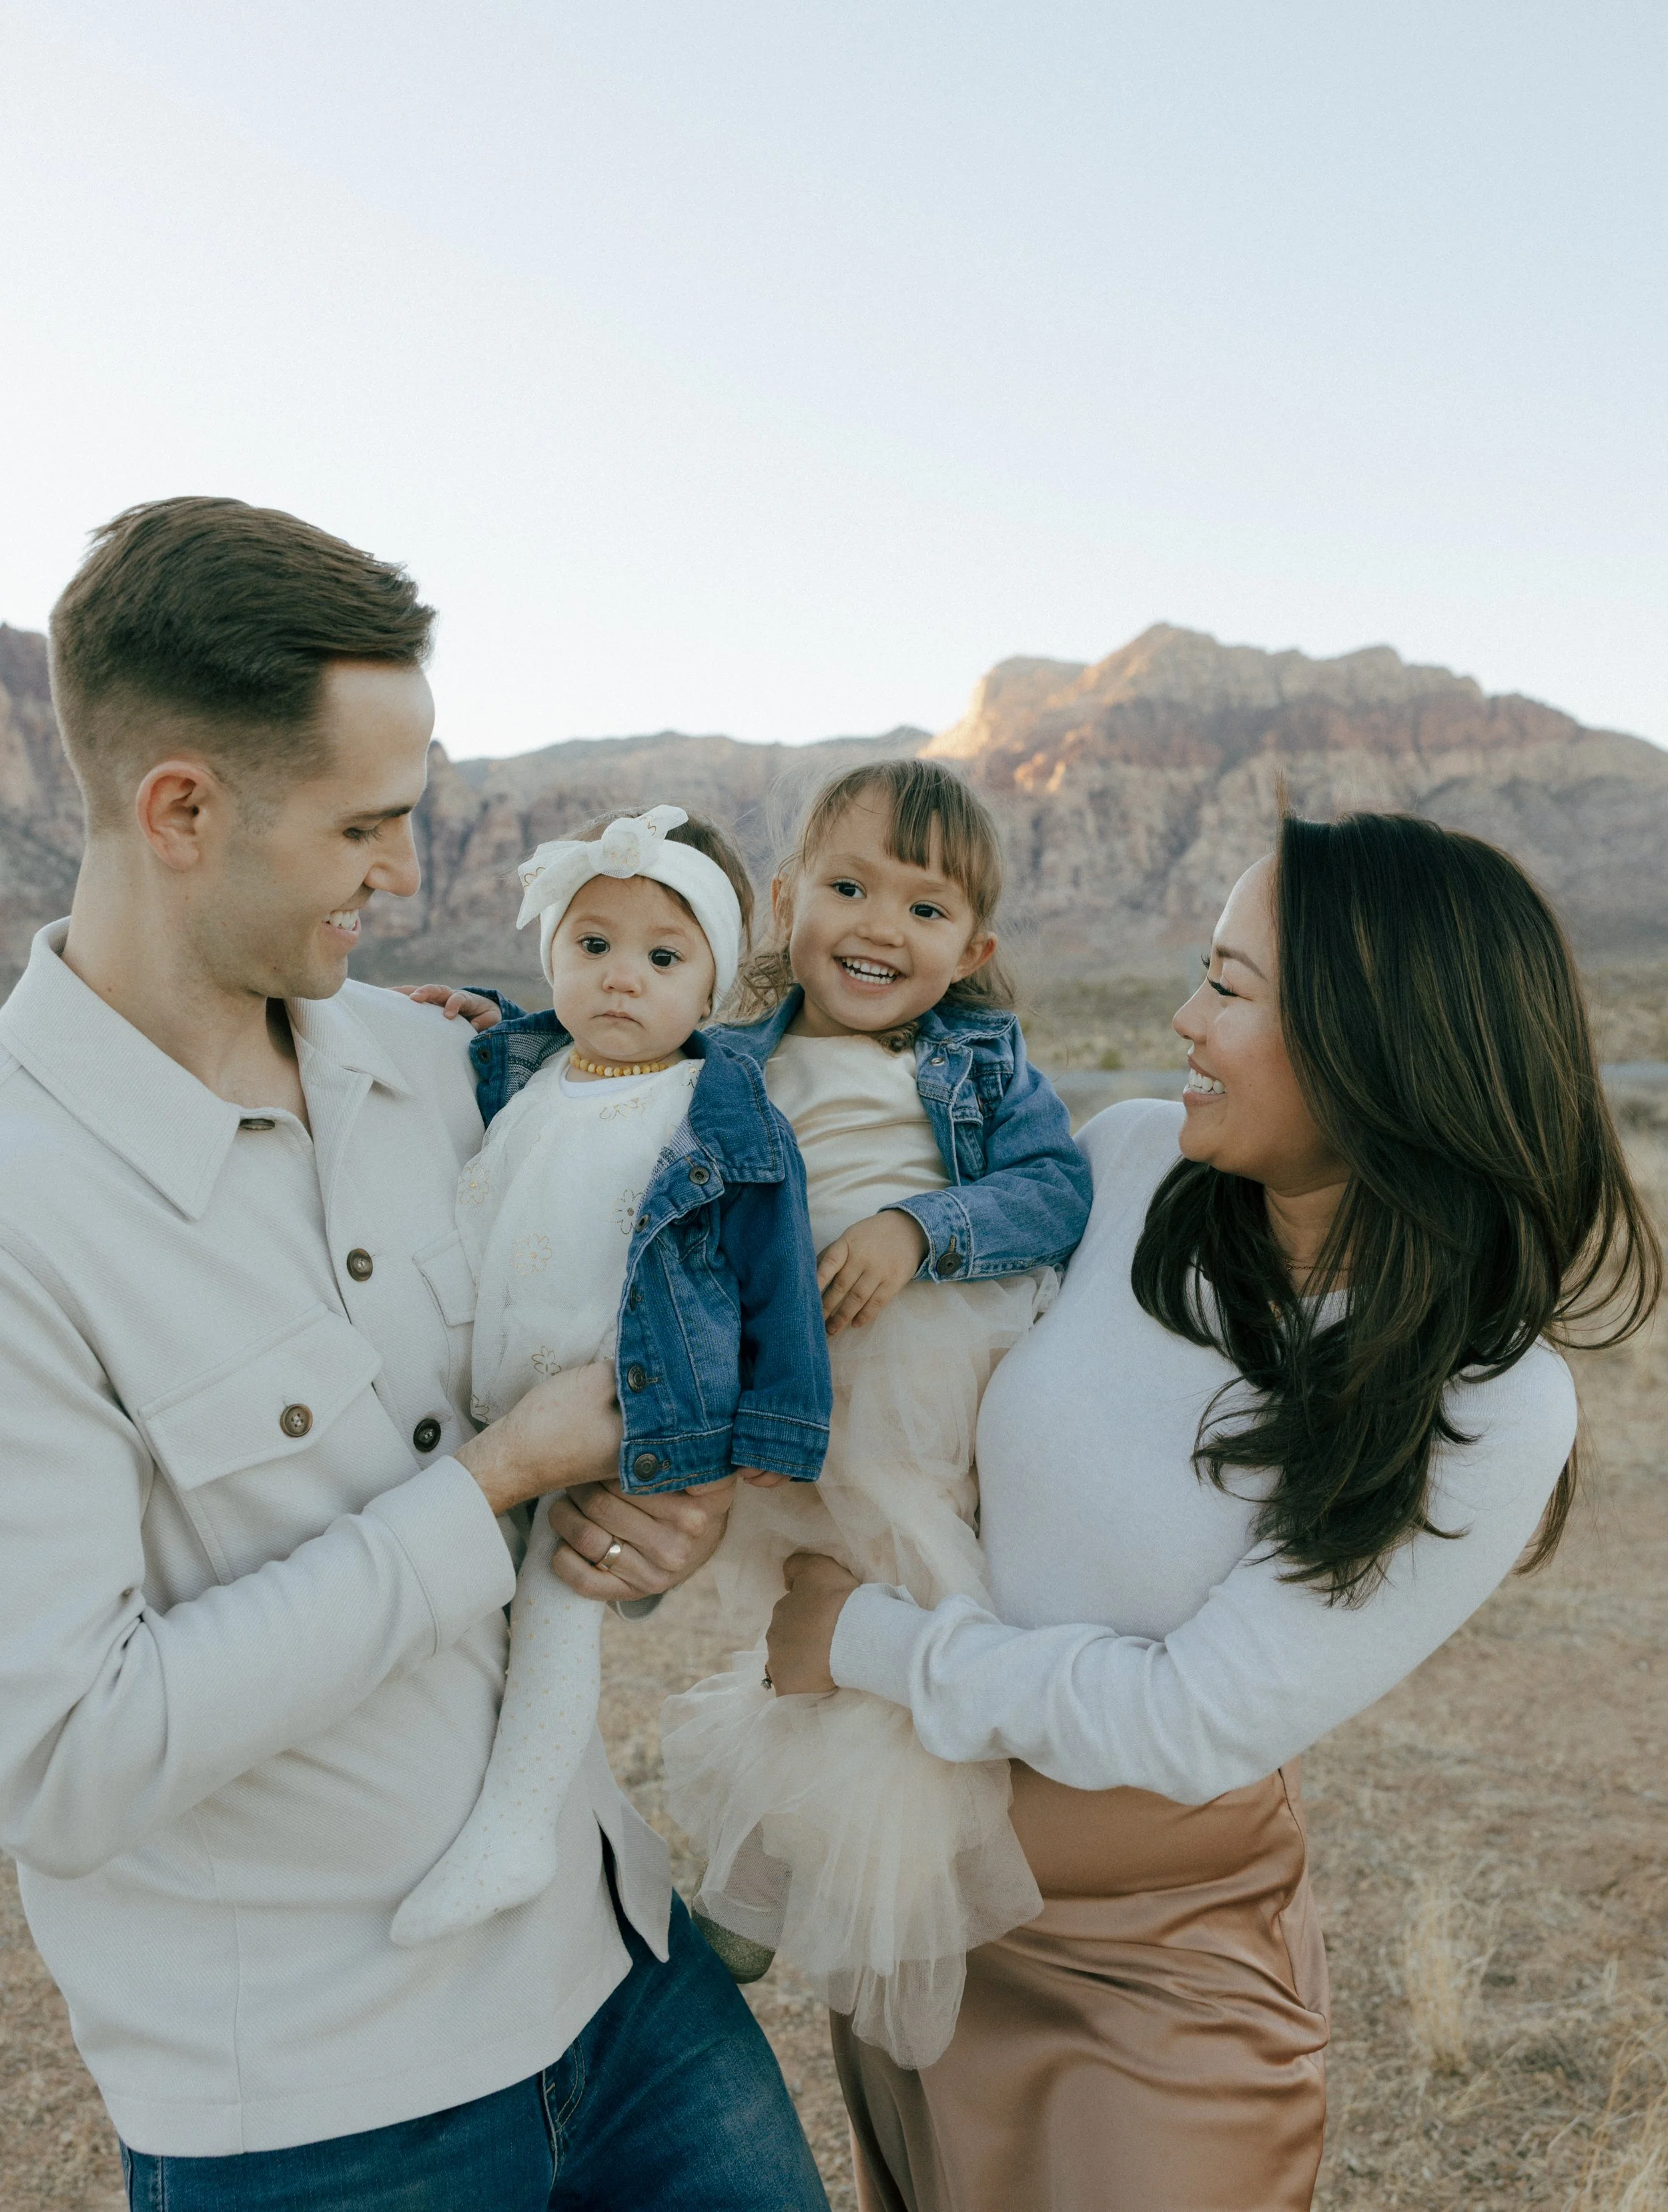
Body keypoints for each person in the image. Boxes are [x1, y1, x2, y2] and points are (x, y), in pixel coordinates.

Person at [0, 496, 829, 2211]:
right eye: (368, 827)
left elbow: (587, 1376)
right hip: (327, 2114)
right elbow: (65, 1761)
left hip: (626, 1977)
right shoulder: (23, 1206)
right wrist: (496, 1480)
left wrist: (643, 1530)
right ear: (180, 810)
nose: (405, 873)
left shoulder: (444, 1070)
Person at [765, 811, 1663, 2212]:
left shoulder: (1488, 1397)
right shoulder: (1122, 1164)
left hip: (1154, 1978)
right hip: (922, 1912)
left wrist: (864, 1639)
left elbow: (1191, 1718)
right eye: (1197, 970)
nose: (1181, 1017)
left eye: (1229, 990)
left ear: (1376, 1046)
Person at [656, 759, 1094, 2068]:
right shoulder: (725, 1056)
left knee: (893, 1616)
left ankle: (786, 1882)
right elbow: (598, 1085)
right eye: (847, 887)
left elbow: (1055, 1188)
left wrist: (921, 1226)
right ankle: (770, 1868)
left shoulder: (976, 1061)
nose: (875, 928)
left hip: (916, 1351)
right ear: (785, 897)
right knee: (817, 1625)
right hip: (782, 1385)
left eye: (922, 910)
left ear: (972, 947)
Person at [390, 802, 832, 1946]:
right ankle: (418, 1783)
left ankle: (517, 1821)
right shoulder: (525, 1075)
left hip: (613, 1408)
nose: (622, 978)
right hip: (482, 1402)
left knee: (560, 1595)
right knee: (452, 1578)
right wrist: (455, 1028)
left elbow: (773, 1277)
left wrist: (774, 1438)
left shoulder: (716, 1115)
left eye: (662, 956)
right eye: (593, 945)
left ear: (713, 987)